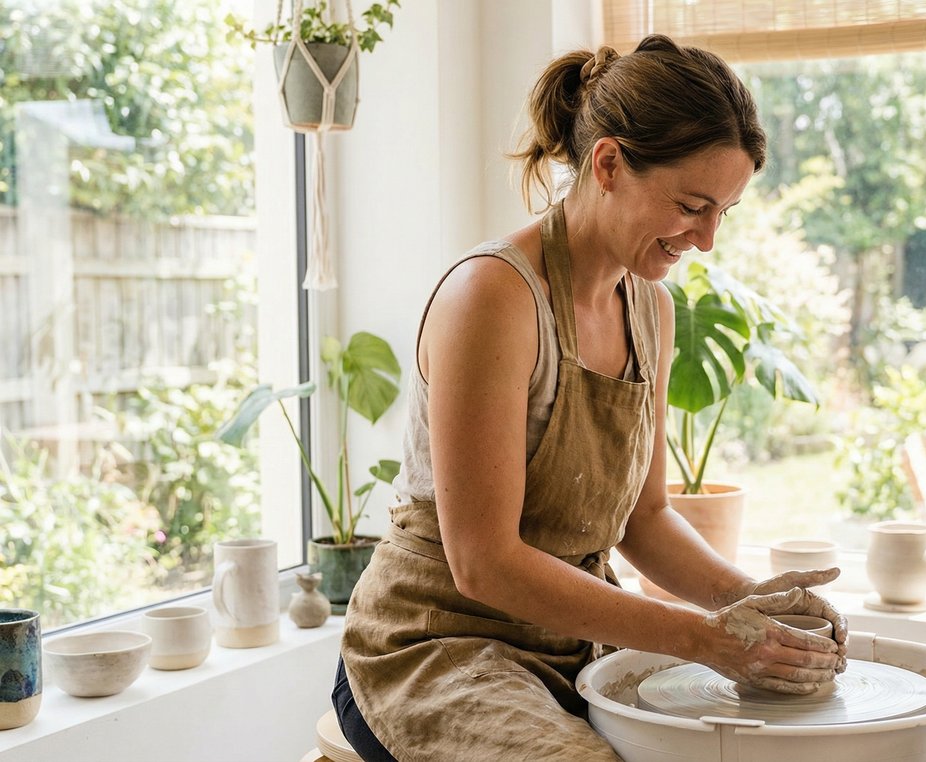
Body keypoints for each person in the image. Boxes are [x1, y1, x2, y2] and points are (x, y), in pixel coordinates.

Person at [333, 34, 847, 761]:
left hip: (571, 649)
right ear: (608, 164)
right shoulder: (494, 298)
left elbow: (647, 517)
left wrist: (749, 600)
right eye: (693, 205)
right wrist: (701, 638)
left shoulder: (649, 309)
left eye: (723, 212)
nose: (705, 241)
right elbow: (483, 561)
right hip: (437, 648)